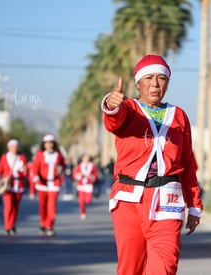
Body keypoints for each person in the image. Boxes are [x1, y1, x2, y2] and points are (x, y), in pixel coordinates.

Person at [102, 54, 203, 274]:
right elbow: (113, 121)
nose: (155, 84)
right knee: (130, 269)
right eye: (149, 78)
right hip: (129, 199)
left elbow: (187, 162)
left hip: (168, 199)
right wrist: (111, 105)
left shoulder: (179, 116)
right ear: (138, 83)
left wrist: (194, 204)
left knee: (164, 268)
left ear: (167, 82)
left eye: (161, 78)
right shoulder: (128, 109)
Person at [32, 134, 66, 236]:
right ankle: (43, 224)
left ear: (54, 143)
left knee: (52, 206)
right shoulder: (40, 154)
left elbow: (63, 165)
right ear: (44, 144)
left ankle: (49, 226)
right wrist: (36, 178)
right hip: (42, 183)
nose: (49, 144)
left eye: (51, 142)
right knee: (43, 206)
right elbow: (35, 167)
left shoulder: (58, 154)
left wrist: (61, 170)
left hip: (54, 183)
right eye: (47, 143)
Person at [0, 139, 28, 235]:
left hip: (19, 185)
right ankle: (7, 226)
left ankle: (12, 225)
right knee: (8, 206)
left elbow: (25, 172)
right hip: (8, 185)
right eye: (12, 147)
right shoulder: (4, 157)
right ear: (9, 148)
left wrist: (24, 170)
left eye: (16, 147)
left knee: (15, 207)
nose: (14, 149)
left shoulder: (21, 157)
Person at [72, 154, 98, 220]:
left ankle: (85, 204)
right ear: (82, 159)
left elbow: (96, 176)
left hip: (89, 185)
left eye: (87, 158)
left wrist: (91, 176)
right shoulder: (79, 166)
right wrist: (79, 175)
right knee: (81, 200)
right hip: (81, 185)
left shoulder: (92, 166)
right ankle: (83, 212)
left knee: (88, 200)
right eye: (85, 158)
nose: (86, 159)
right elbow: (74, 175)